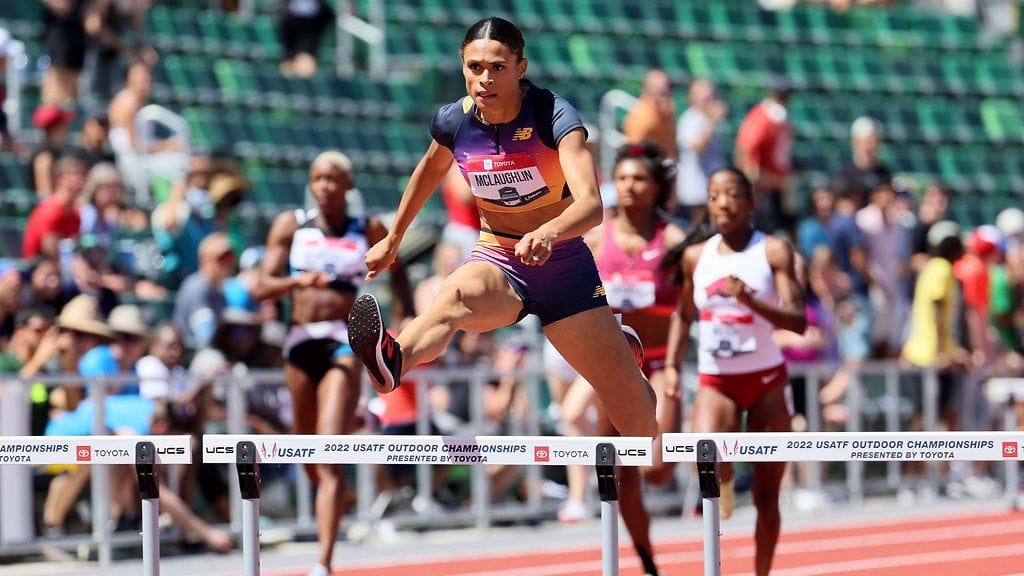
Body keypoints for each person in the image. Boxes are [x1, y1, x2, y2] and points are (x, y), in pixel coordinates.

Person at [347, 18, 658, 450]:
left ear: (520, 67)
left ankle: (627, 359)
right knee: (451, 299)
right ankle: (393, 361)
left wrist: (549, 232)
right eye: (475, 67)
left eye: (497, 67)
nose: (485, 78)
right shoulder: (454, 122)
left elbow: (591, 205)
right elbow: (430, 170)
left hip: (564, 271)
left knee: (639, 430)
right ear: (462, 67)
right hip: (499, 258)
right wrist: (394, 238)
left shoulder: (554, 115)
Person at [253, 151, 410, 576]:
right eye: (317, 178)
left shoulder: (368, 229)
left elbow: (398, 270)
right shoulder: (292, 225)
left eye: (332, 178)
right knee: (308, 450)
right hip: (301, 343)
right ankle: (360, 424)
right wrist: (297, 281)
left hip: (345, 344)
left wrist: (406, 314)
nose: (323, 185)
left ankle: (323, 562)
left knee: (326, 452)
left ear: (349, 185)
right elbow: (260, 286)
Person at [664, 167, 806, 576]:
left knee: (767, 497)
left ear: (751, 202)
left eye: (731, 194)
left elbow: (798, 321)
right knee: (707, 463)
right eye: (714, 195)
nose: (723, 202)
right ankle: (724, 489)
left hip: (766, 382)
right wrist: (673, 365)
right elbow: (683, 314)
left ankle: (761, 572)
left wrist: (750, 301)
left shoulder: (774, 250)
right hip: (717, 381)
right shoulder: (697, 256)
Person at [734, 81, 795, 235]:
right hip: (764, 188)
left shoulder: (783, 117)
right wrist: (751, 184)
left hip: (778, 185)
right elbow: (746, 149)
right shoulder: (762, 117)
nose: (783, 100)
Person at [675, 79, 728, 225]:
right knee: (700, 227)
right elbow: (698, 146)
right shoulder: (689, 119)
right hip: (697, 188)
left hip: (713, 184)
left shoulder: (709, 119)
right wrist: (712, 122)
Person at [622, 69, 677, 159]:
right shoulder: (639, 117)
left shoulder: (668, 108)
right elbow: (634, 150)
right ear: (647, 89)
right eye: (659, 90)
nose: (664, 92)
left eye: (666, 88)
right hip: (650, 166)